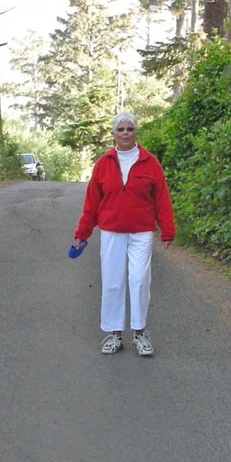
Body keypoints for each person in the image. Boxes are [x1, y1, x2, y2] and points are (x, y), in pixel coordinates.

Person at [72, 111, 175, 356]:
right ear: (114, 134)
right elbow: (91, 203)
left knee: (139, 280)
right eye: (121, 129)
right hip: (112, 232)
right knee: (113, 282)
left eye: (129, 129)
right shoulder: (104, 163)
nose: (125, 133)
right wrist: (82, 232)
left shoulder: (150, 162)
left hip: (141, 232)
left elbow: (162, 198)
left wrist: (167, 230)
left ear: (136, 132)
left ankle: (140, 333)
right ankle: (114, 334)